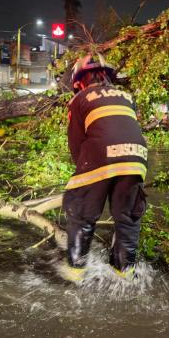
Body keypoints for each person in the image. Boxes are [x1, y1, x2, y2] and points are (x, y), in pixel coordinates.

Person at [61, 54, 148, 282]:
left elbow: (76, 145)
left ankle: (75, 273)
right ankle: (124, 272)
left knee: (81, 212)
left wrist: (85, 182)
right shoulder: (127, 96)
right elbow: (125, 128)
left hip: (100, 155)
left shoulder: (79, 98)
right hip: (136, 158)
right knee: (127, 217)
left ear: (80, 80)